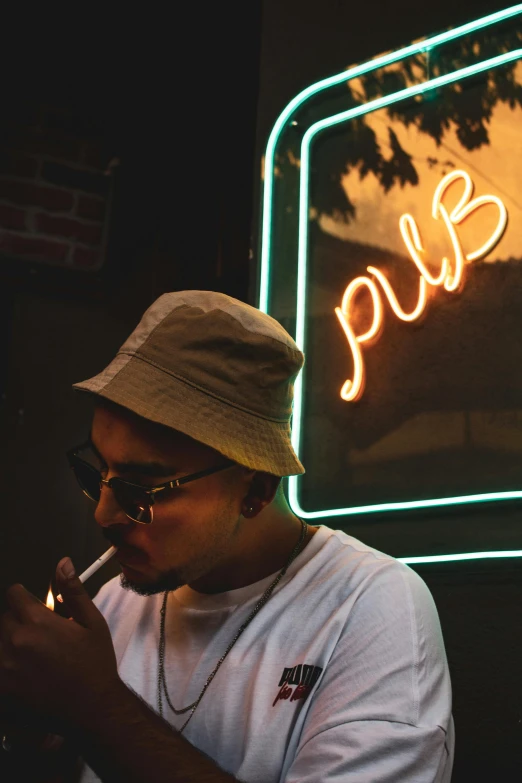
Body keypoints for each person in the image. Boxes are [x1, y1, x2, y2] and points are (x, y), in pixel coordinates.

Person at [0, 290, 454, 782]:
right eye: (98, 474)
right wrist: (31, 731)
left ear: (255, 488)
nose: (105, 514)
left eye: (141, 489)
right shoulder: (112, 607)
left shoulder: (369, 607)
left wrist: (94, 707)